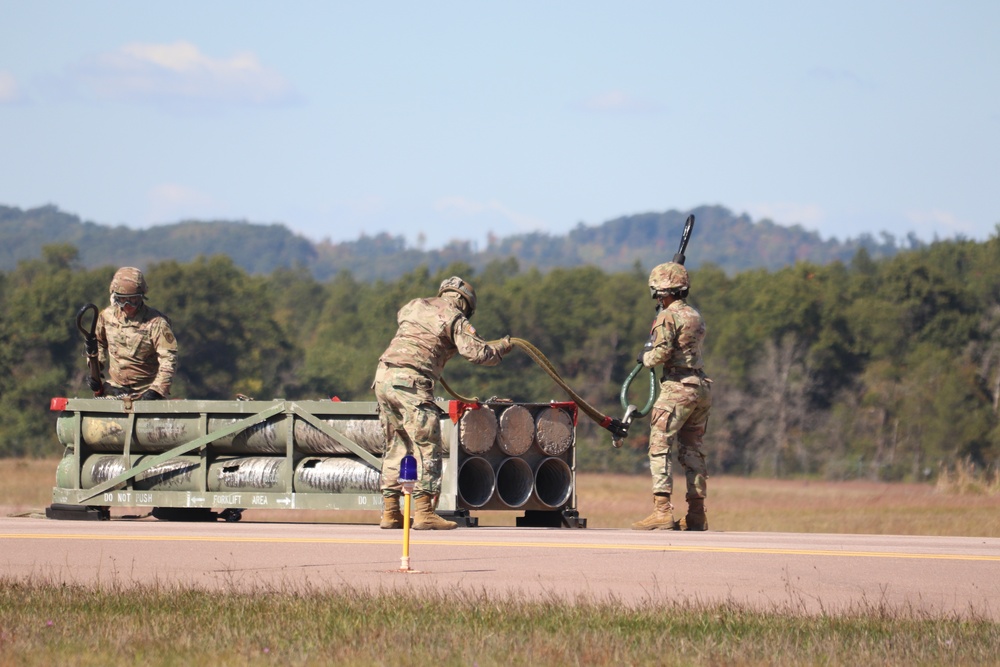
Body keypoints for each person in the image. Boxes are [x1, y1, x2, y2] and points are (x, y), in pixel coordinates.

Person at [374, 276, 513, 530]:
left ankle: (390, 512)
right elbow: (477, 353)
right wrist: (502, 347)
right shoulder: (454, 317)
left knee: (396, 444)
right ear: (463, 301)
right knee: (427, 445)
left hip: (384, 378)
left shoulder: (414, 305)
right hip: (412, 381)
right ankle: (425, 513)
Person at [632, 262, 712, 531]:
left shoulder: (667, 316)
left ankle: (662, 511)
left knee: (660, 445)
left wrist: (645, 357)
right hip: (699, 387)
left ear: (660, 290)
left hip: (677, 387)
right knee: (693, 451)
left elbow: (661, 354)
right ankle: (697, 515)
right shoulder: (694, 314)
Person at [89, 267, 178, 400]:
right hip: (114, 390)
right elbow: (98, 343)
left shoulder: (156, 323)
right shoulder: (106, 316)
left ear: (142, 297)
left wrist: (157, 390)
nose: (128, 305)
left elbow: (168, 358)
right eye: (122, 299)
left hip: (147, 391)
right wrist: (95, 368)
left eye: (133, 300)